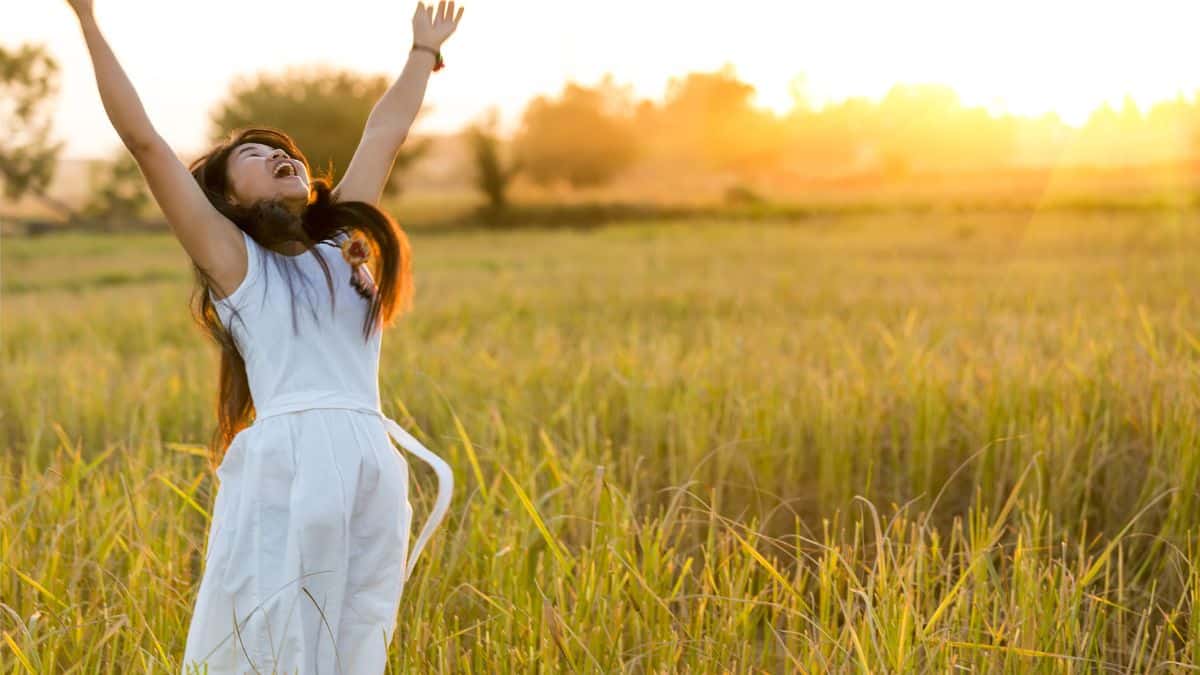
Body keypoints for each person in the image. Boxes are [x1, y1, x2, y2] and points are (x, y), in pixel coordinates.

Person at [65, 0, 466, 672]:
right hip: (291, 463)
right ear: (229, 201)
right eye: (255, 155)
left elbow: (385, 133)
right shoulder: (236, 266)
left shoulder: (344, 243)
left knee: (356, 640)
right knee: (275, 642)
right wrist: (88, 21)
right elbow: (145, 143)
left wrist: (423, 52)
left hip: (369, 460)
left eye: (284, 151)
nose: (280, 154)